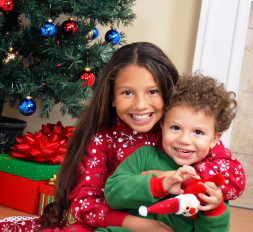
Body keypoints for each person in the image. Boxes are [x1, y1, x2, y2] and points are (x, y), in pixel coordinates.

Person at [0, 44, 243, 232]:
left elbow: (233, 176)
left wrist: (190, 179)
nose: (140, 104)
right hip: (113, 224)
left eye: (153, 92)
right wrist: (142, 218)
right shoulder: (102, 136)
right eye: (127, 92)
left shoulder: (181, 131)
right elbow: (84, 203)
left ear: (168, 95)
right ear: (112, 96)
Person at [104, 73, 246, 232]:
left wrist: (215, 209)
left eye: (198, 132)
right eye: (176, 128)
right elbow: (113, 194)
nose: (184, 140)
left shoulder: (207, 179)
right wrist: (160, 184)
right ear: (162, 126)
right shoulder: (144, 155)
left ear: (214, 139)